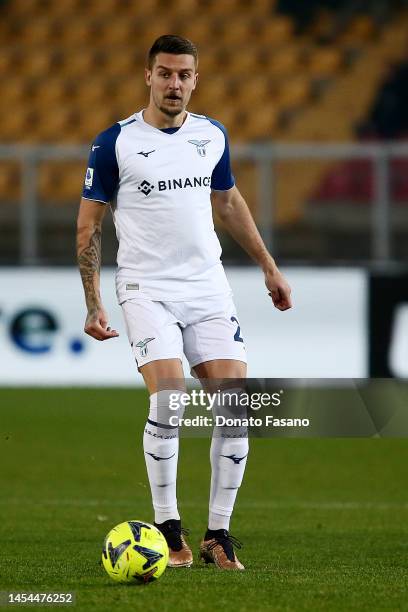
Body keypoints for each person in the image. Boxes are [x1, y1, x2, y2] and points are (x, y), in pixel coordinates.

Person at [76, 34, 292, 571]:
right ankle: (169, 530)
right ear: (147, 76)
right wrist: (93, 301)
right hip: (146, 287)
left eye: (184, 75)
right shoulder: (115, 143)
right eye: (166, 73)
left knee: (235, 407)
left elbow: (228, 200)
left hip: (207, 286)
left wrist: (267, 265)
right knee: (168, 401)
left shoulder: (211, 135)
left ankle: (218, 534)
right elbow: (89, 225)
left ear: (196, 79)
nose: (175, 84)